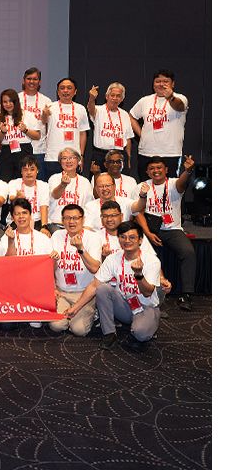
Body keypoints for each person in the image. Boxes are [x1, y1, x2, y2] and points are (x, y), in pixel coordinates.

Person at [81, 221, 163, 350]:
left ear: (140, 240)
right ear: (119, 239)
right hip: (125, 304)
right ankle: (109, 334)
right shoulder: (113, 258)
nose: (127, 241)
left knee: (140, 334)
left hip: (146, 306)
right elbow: (94, 285)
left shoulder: (151, 260)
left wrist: (139, 275)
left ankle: (147, 325)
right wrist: (75, 309)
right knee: (103, 289)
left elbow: (147, 292)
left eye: (132, 237)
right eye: (123, 237)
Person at [133, 155, 198, 311]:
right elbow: (137, 212)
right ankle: (149, 293)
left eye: (159, 167)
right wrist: (148, 233)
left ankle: (186, 295)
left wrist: (188, 171)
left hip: (172, 229)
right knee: (143, 256)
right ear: (147, 172)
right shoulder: (142, 186)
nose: (156, 171)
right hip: (150, 230)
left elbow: (183, 183)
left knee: (188, 252)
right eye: (152, 168)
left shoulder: (174, 184)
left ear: (166, 170)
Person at [47, 204, 103, 336]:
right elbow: (50, 268)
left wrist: (80, 248)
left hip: (84, 293)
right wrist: (53, 287)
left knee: (79, 330)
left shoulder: (93, 238)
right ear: (62, 220)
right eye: (67, 218)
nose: (71, 222)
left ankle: (90, 312)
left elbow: (95, 268)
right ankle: (69, 315)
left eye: (75, 218)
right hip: (63, 292)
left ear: (82, 219)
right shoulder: (57, 236)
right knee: (56, 326)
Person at [129, 70, 189, 180]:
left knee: (170, 188)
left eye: (165, 81)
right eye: (158, 81)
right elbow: (131, 116)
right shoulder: (145, 100)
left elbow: (179, 107)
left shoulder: (180, 98)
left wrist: (170, 97)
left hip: (170, 153)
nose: (161, 84)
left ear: (173, 84)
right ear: (153, 84)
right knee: (145, 186)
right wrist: (141, 134)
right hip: (146, 152)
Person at [85, 82, 139, 173]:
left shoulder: (124, 114)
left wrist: (128, 157)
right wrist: (92, 98)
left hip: (120, 155)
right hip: (101, 154)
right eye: (112, 95)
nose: (115, 98)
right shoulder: (98, 110)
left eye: (118, 96)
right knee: (99, 183)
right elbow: (90, 109)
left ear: (122, 99)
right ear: (107, 96)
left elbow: (128, 138)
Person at [41, 77, 90, 177]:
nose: (65, 91)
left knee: (72, 189)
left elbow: (83, 133)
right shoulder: (50, 107)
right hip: (53, 156)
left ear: (75, 91)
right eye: (62, 88)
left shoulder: (80, 109)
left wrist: (81, 155)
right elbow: (43, 123)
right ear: (58, 92)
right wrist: (44, 114)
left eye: (69, 88)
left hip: (74, 157)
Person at [0, 88, 42, 181]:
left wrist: (25, 130)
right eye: (5, 102)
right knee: (5, 181)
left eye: (10, 101)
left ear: (16, 101)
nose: (8, 104)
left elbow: (37, 136)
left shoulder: (27, 114)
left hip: (24, 150)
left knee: (24, 181)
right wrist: (3, 132)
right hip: (6, 151)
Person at [16, 68, 53, 178]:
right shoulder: (16, 99)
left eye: (35, 79)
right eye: (29, 79)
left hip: (39, 149)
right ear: (23, 80)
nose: (31, 82)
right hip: (19, 148)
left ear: (39, 82)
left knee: (39, 183)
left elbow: (48, 125)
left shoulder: (47, 101)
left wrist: (45, 116)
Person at [46, 148, 92, 233]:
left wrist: (86, 226)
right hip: (56, 224)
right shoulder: (54, 178)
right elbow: (55, 196)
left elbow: (89, 207)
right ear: (60, 162)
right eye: (64, 158)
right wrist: (63, 184)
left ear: (78, 160)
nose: (68, 161)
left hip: (77, 226)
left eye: (72, 158)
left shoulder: (85, 182)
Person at [6, 156, 50, 231]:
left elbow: (44, 207)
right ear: (21, 171)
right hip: (17, 221)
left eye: (32, 169)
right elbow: (11, 198)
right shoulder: (14, 183)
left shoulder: (44, 185)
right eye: (25, 170)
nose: (29, 173)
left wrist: (44, 227)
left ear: (37, 170)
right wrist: (17, 198)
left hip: (37, 221)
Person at [101, 149, 140, 214]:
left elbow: (136, 205)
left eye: (118, 161)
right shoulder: (100, 178)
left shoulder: (131, 181)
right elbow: (96, 199)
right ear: (105, 164)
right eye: (111, 162)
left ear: (123, 164)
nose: (115, 164)